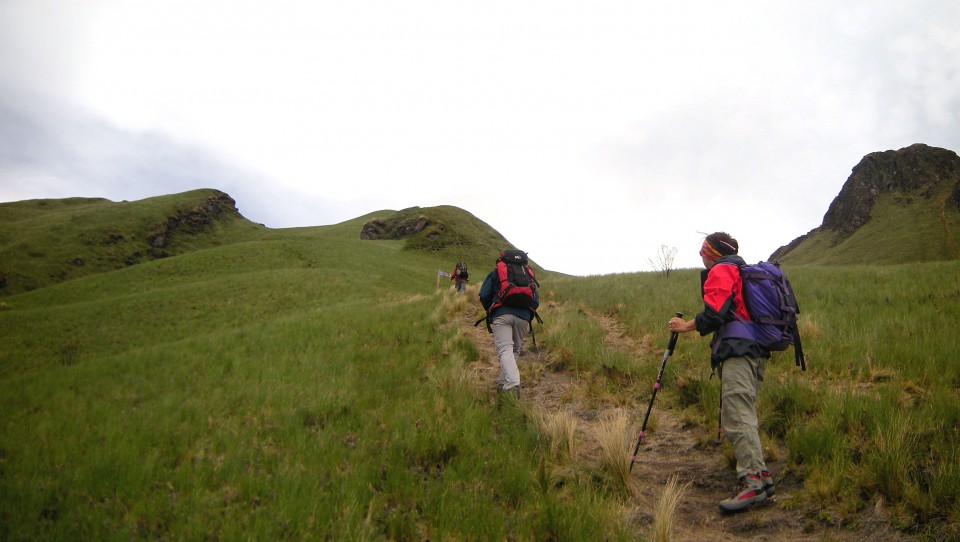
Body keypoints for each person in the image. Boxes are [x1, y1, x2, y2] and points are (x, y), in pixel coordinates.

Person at [668, 232, 774, 513]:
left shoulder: (723, 270)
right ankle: (761, 476)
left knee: (737, 415)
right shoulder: (739, 270)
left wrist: (685, 325)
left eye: (702, 250)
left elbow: (715, 313)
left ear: (711, 253)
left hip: (739, 352)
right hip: (754, 351)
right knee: (744, 413)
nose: (700, 255)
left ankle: (752, 483)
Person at [478, 250, 540, 399]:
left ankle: (512, 384)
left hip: (502, 315)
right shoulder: (528, 275)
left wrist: (492, 309)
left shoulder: (496, 272)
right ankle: (503, 383)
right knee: (514, 350)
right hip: (523, 317)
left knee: (505, 350)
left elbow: (484, 295)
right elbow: (535, 301)